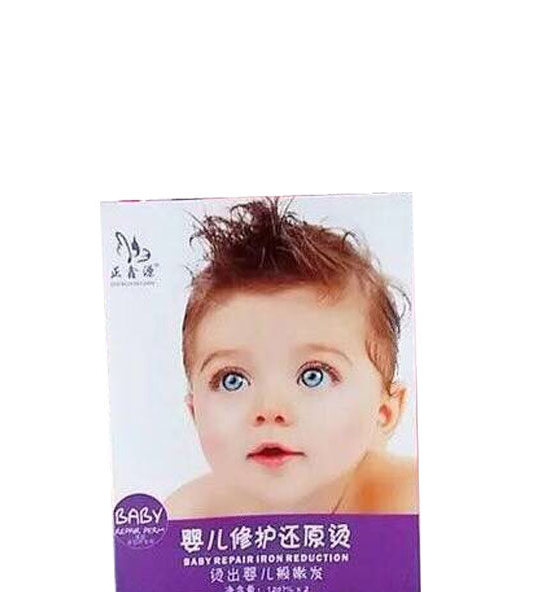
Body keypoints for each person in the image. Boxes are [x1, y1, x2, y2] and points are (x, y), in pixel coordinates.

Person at [165, 197, 417, 517]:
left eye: (314, 376)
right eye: (232, 380)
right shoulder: (186, 517)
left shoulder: (408, 499)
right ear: (195, 413)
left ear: (384, 412)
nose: (270, 410)